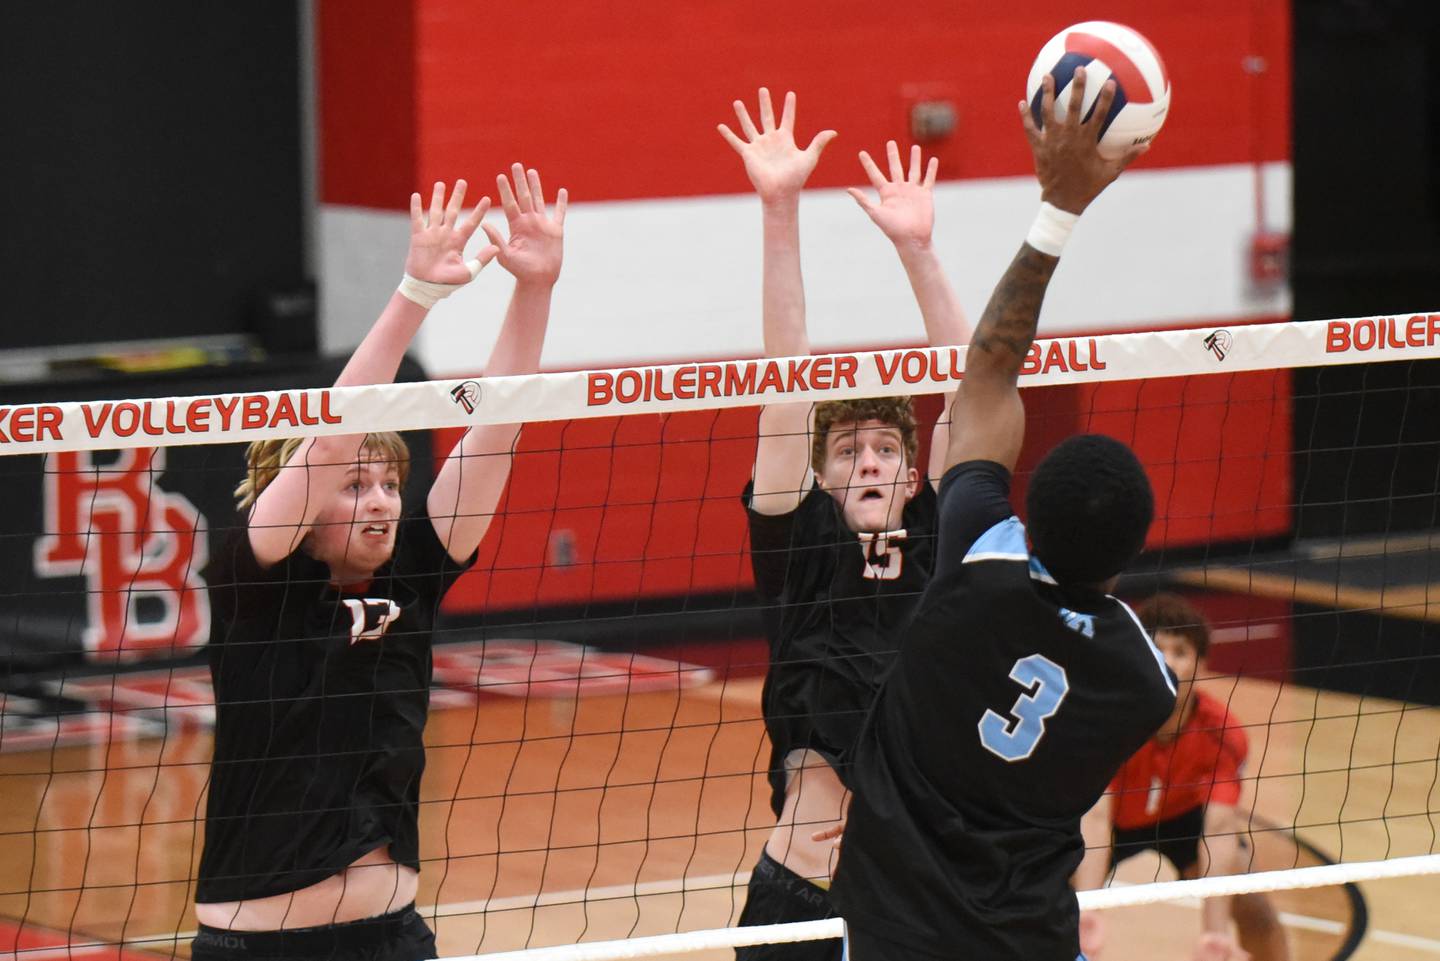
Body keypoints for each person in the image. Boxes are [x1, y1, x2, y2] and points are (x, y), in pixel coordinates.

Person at [827, 68, 1178, 961]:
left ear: (1031, 510)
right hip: (1030, 942)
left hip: (894, 932)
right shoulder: (1146, 685)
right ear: (1132, 549)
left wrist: (1056, 212)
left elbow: (984, 375)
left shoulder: (977, 564)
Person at [194, 166, 567, 961]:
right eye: (354, 486)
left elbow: (495, 429)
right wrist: (417, 296)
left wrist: (533, 289)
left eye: (391, 482)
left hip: (394, 939)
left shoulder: (411, 574)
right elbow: (331, 436)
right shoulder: (253, 584)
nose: (380, 501)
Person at [717, 88, 969, 960]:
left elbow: (974, 396)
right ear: (822, 475)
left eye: (888, 446)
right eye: (852, 448)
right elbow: (785, 381)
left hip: (922, 878)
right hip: (809, 881)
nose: (870, 460)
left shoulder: (940, 533)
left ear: (912, 468)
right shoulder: (800, 543)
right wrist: (779, 209)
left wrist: (919, 251)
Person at [1076, 594, 1289, 961]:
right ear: (1137, 657)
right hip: (1112, 821)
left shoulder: (1222, 733)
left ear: (1200, 664)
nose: (1168, 663)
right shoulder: (1109, 719)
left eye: (1180, 652)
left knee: (1256, 911)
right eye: (1157, 649)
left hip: (1182, 819)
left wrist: (1215, 936)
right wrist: (1086, 910)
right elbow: (1095, 818)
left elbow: (1219, 829)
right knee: (1048, 901)